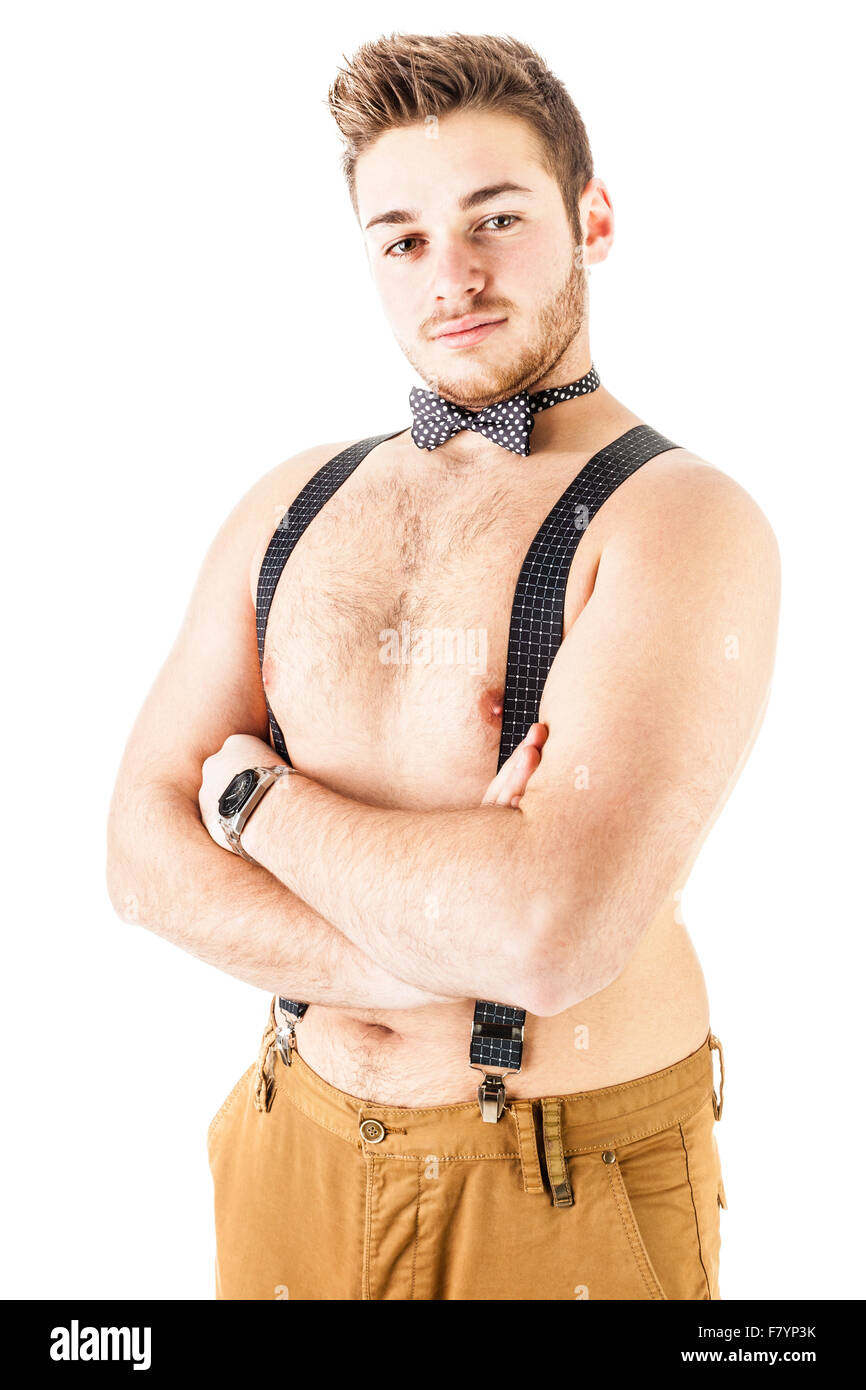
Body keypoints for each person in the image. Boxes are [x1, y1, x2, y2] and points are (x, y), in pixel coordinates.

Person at [106, 32, 781, 1301]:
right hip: (285, 1135)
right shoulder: (291, 500)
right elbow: (138, 860)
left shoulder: (678, 520)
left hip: (548, 1175)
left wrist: (254, 799)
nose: (451, 275)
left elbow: (542, 931)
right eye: (403, 238)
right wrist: (423, 946)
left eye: (496, 219)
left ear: (591, 220)